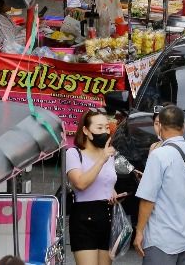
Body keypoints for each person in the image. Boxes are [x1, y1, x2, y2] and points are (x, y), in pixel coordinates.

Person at [134, 105, 185, 264]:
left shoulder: (158, 155)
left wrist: (139, 231)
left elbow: (147, 200)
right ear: (183, 127)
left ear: (161, 128)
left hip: (161, 239)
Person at [66, 109, 122, 265]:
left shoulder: (109, 155)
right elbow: (80, 183)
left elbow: (107, 182)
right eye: (99, 128)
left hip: (107, 216)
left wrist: (113, 193)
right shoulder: (74, 153)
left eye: (106, 127)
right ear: (86, 130)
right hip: (84, 217)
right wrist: (102, 159)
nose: (104, 131)